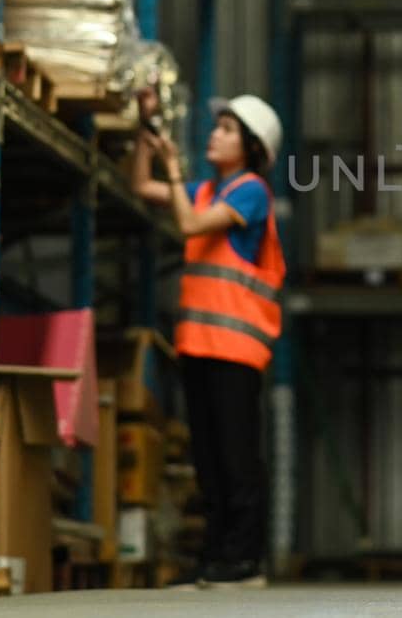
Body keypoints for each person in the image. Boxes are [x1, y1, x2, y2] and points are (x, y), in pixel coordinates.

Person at [132, 91, 286, 588]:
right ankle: (218, 559)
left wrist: (173, 168)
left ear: (252, 147)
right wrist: (145, 130)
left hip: (236, 351)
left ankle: (246, 561)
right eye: (217, 126)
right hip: (198, 347)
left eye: (227, 129)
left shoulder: (250, 192)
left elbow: (189, 224)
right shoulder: (205, 191)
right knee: (209, 460)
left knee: (238, 458)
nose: (214, 135)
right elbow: (140, 185)